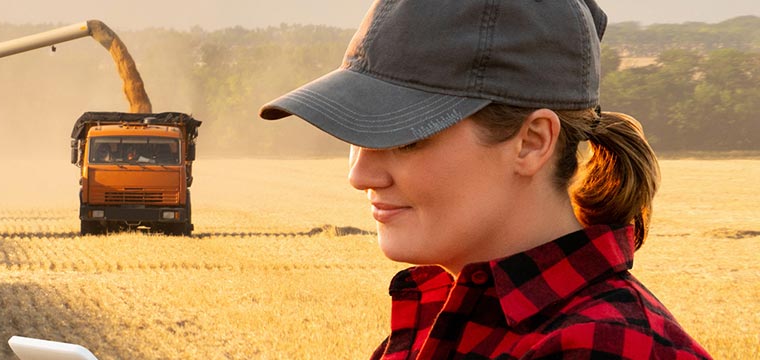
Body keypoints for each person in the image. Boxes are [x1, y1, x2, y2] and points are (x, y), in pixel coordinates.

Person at [258, 0, 711, 358]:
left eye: (405, 139)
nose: (359, 175)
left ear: (532, 142)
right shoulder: (446, 317)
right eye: (355, 137)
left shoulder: (602, 348)